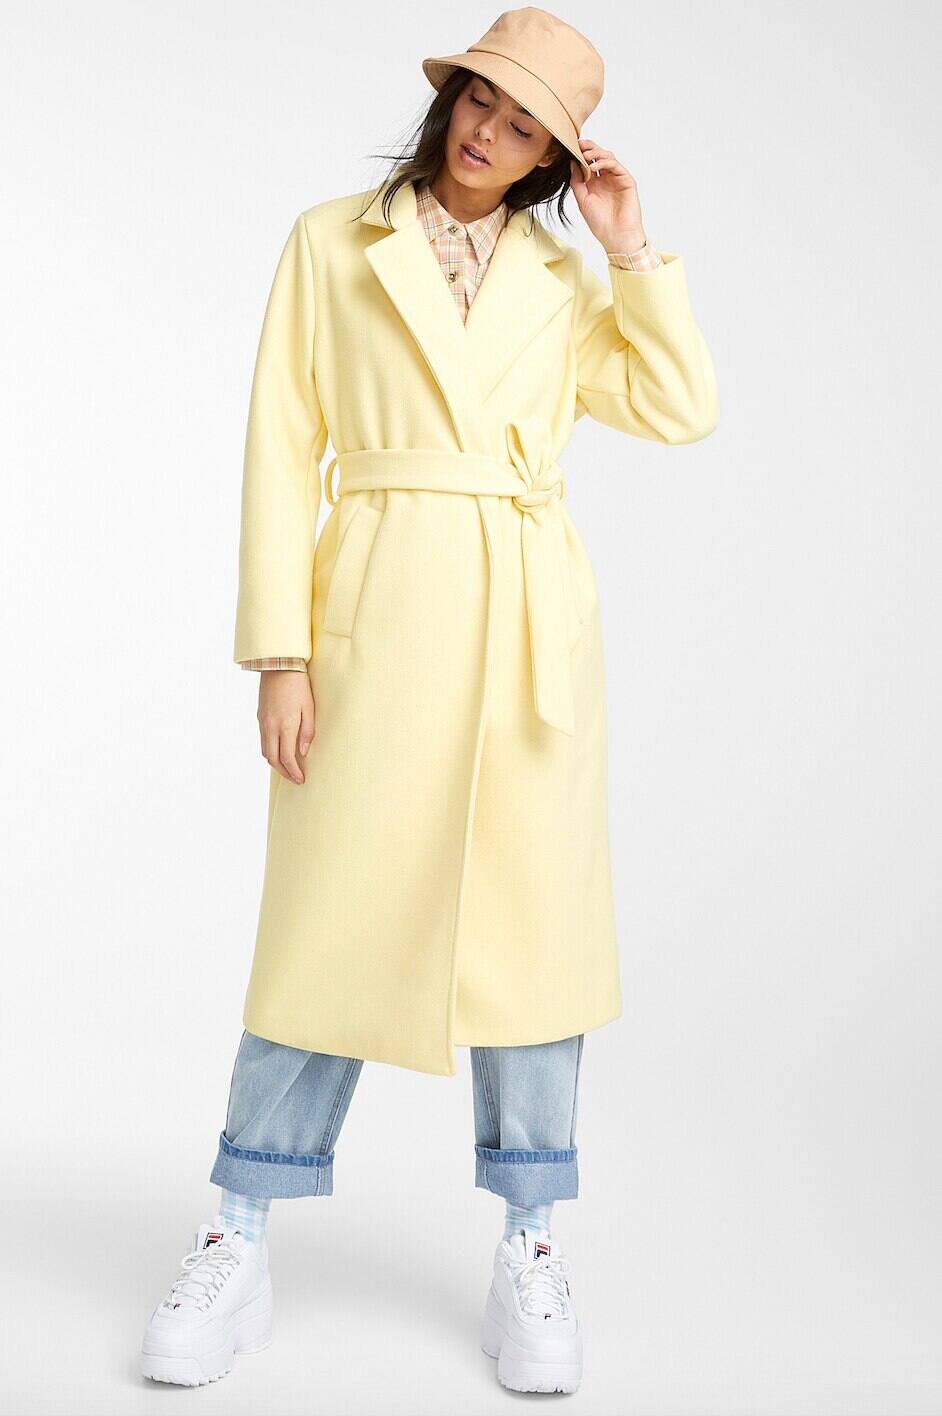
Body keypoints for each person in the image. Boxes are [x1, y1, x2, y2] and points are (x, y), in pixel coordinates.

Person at [140, 5, 718, 1395]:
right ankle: (239, 1232)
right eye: (479, 102)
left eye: (524, 127)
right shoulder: (331, 242)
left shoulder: (565, 281)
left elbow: (679, 406)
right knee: (324, 927)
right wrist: (282, 653)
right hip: (376, 616)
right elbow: (281, 445)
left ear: (553, 158)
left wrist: (631, 248)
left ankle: (530, 1245)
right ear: (449, 98)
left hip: (524, 633)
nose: (487, 135)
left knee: (533, 945)